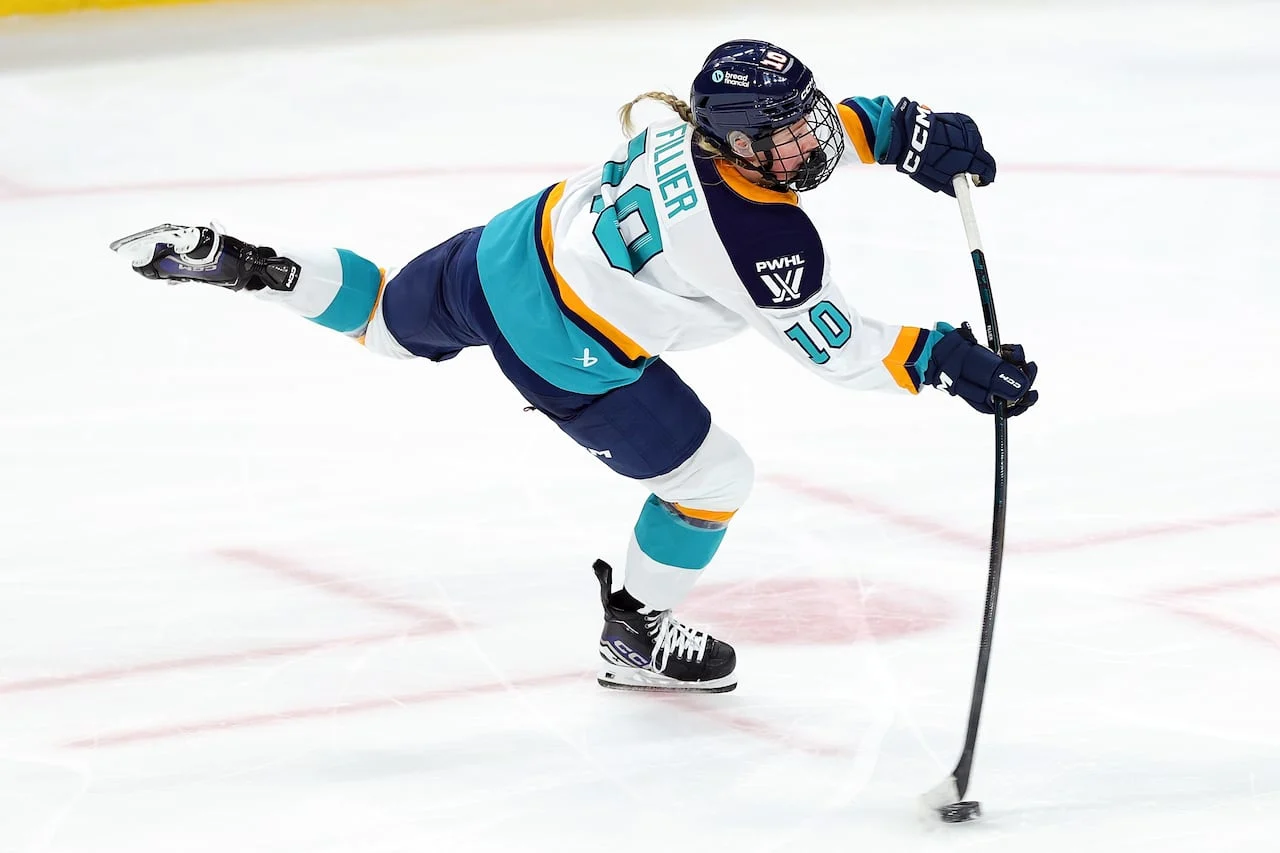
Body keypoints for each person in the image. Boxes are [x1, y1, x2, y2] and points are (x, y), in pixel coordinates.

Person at [109, 39, 1038, 695]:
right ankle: (633, 632)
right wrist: (948, 359)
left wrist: (909, 133)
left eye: (803, 122)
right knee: (715, 478)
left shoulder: (707, 134)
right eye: (784, 136)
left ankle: (252, 265)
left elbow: (827, 122)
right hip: (569, 340)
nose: (810, 144)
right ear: (738, 144)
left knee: (388, 318)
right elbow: (838, 351)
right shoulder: (759, 235)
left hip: (518, 241)